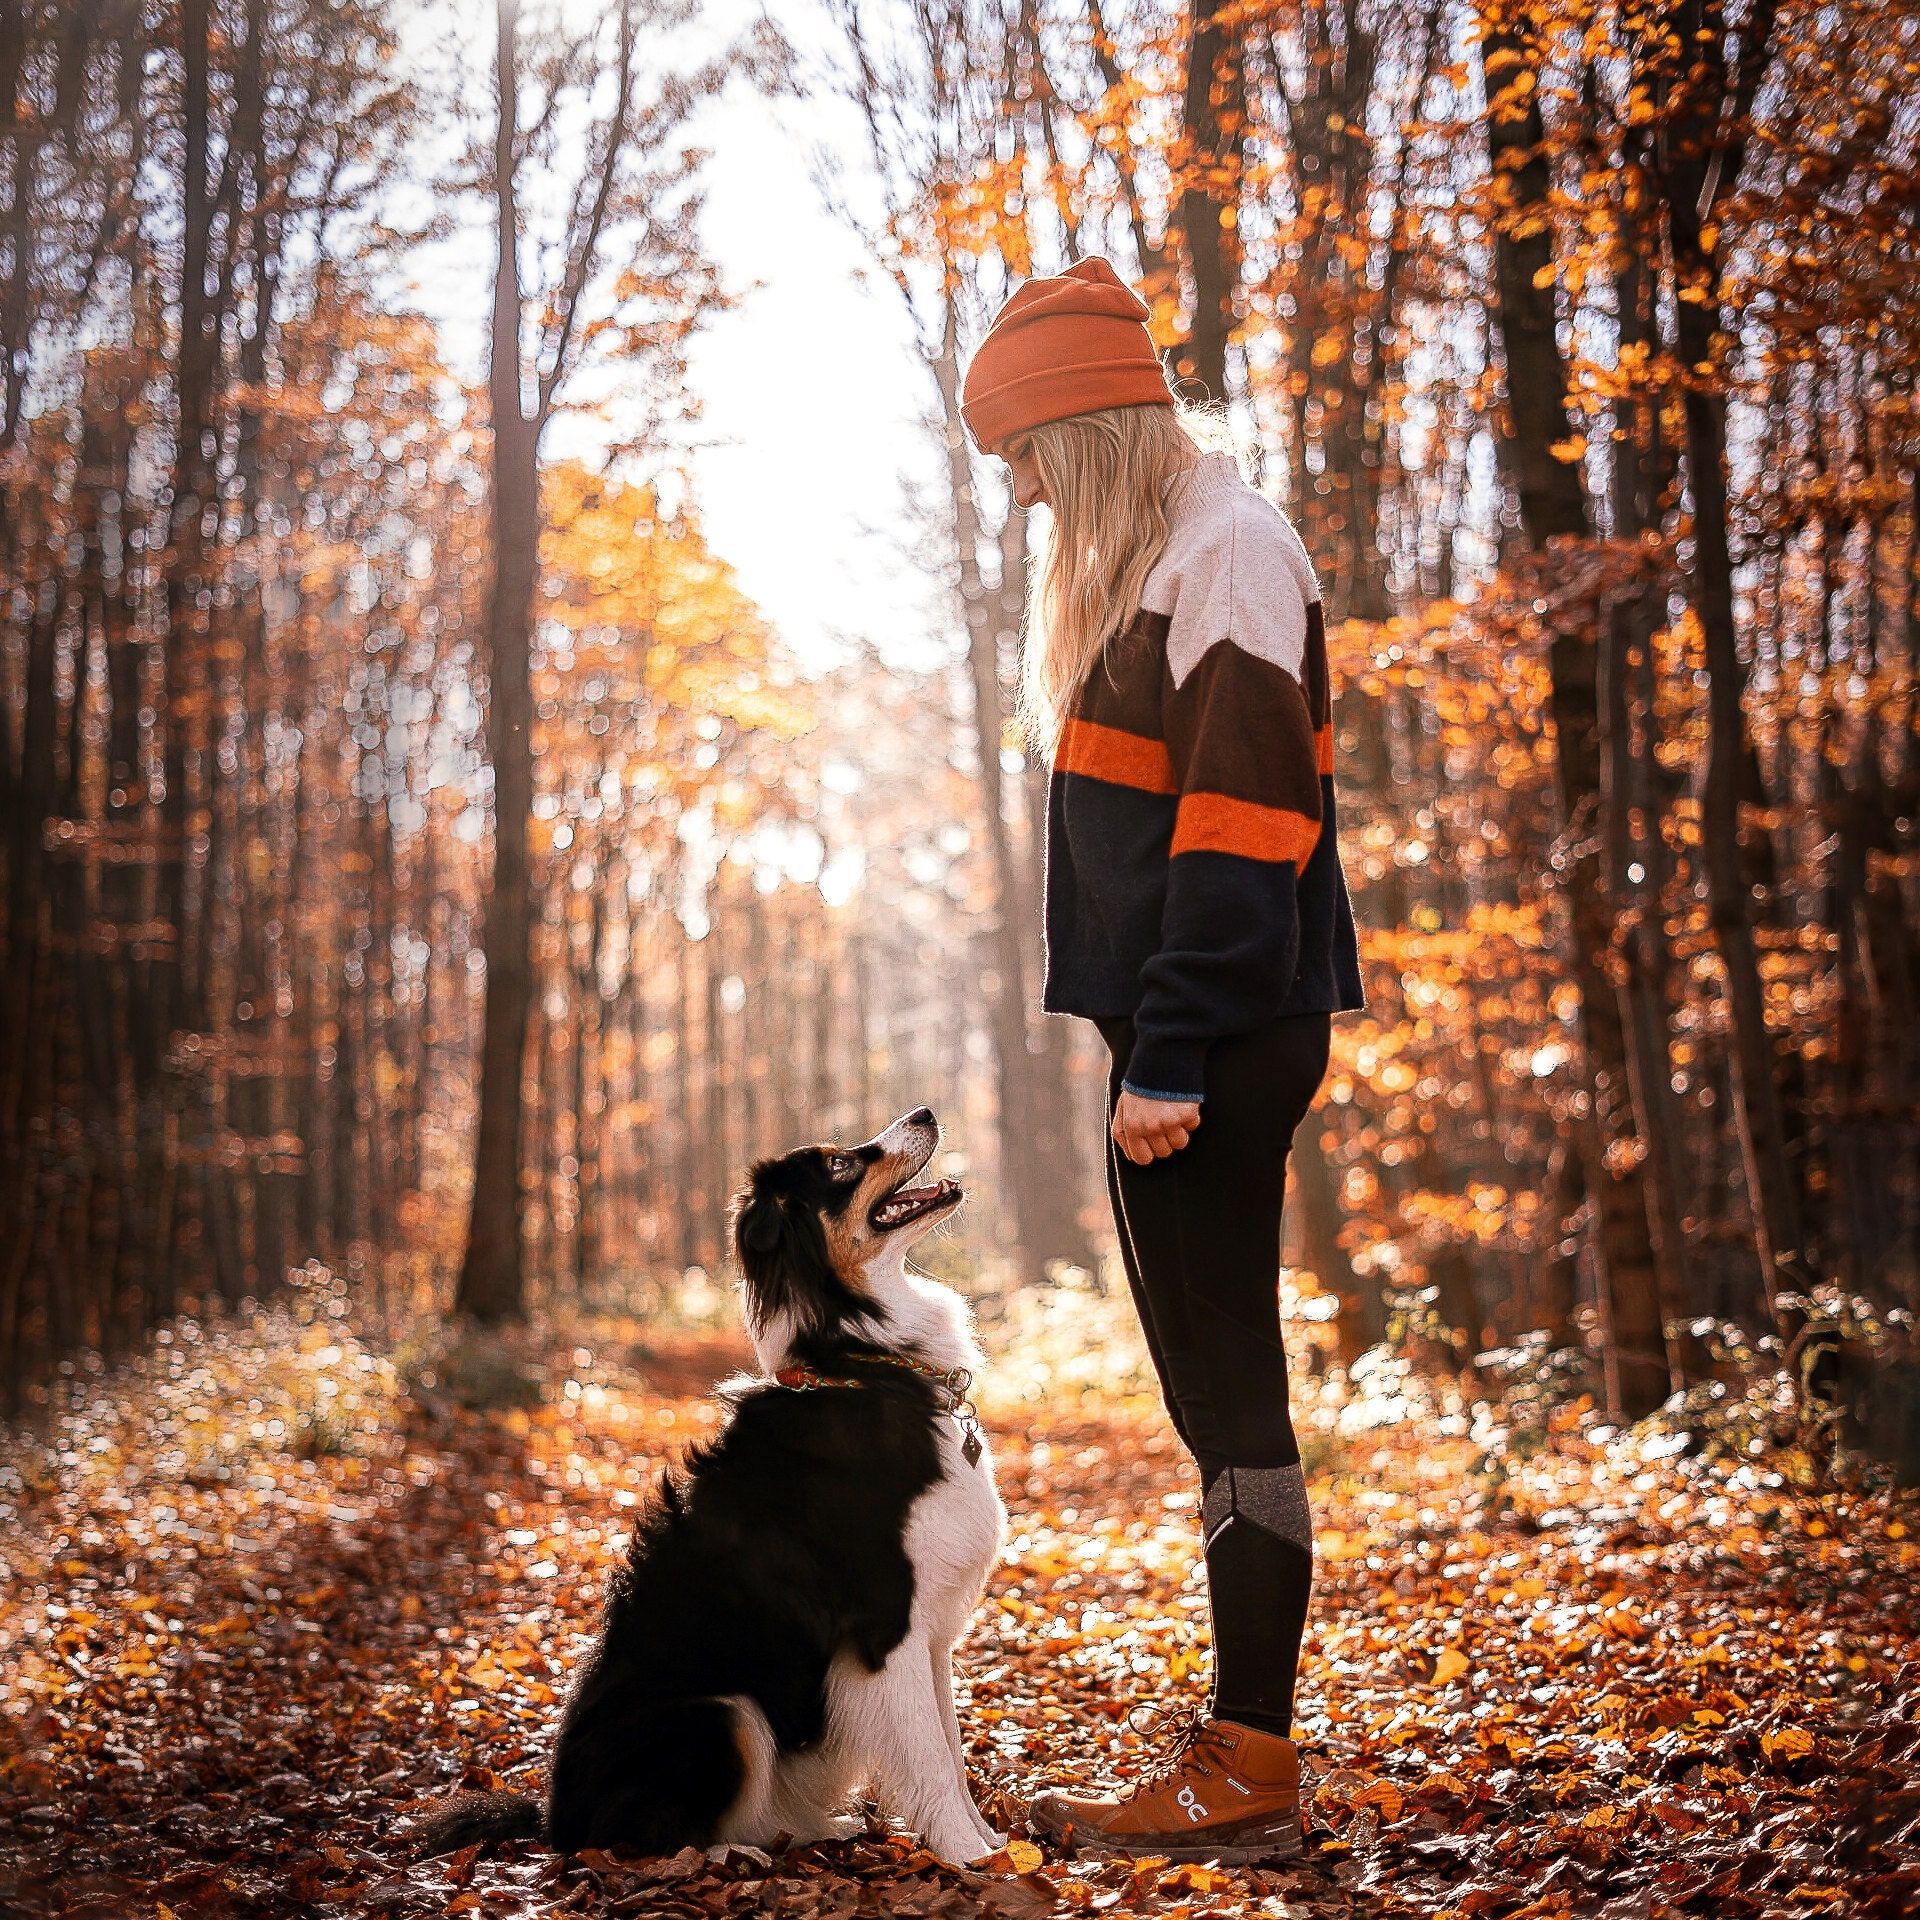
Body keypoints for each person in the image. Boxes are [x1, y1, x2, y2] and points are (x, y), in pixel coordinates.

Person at [959, 258, 1364, 1862]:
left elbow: (1247, 824)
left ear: (1090, 427)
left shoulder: (1231, 548)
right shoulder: (1169, 555)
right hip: (1177, 1036)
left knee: (1233, 1393)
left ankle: (1250, 1763)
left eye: (1031, 462)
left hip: (1222, 1038)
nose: (1028, 499)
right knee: (1209, 1395)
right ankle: (1243, 1744)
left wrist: (1175, 1050)